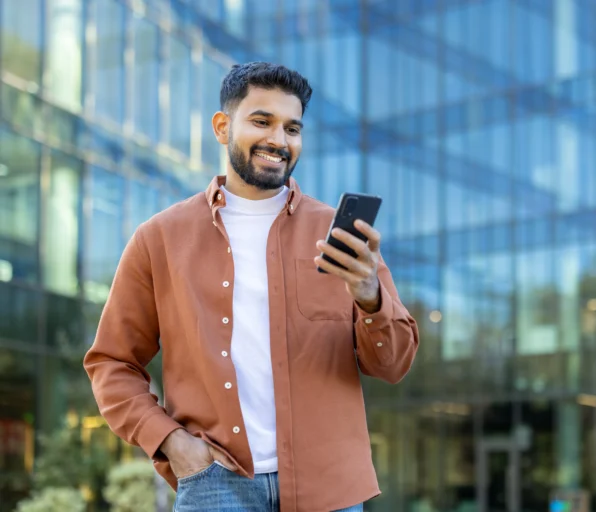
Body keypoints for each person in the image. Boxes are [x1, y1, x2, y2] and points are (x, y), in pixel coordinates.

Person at [83, 62, 419, 512]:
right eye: (262, 121)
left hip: (329, 488)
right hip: (215, 482)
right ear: (223, 127)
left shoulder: (337, 234)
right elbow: (112, 361)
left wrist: (369, 297)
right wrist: (172, 443)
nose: (278, 140)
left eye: (292, 128)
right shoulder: (159, 238)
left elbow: (393, 364)